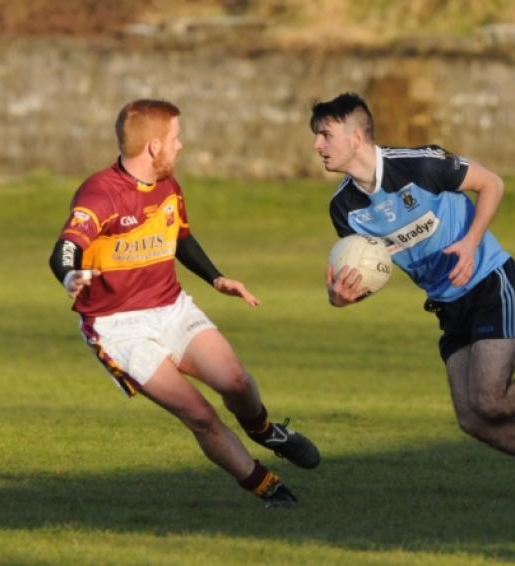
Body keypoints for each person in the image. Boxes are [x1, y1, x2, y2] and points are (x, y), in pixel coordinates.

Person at [310, 92, 515, 500]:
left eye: (325, 135)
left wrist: (470, 243)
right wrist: (342, 298)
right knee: (473, 417)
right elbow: (368, 270)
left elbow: (491, 183)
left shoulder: (420, 163)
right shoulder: (343, 207)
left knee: (490, 398)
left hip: (491, 282)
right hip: (448, 305)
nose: (317, 146)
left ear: (357, 137)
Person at [49, 98, 319, 508]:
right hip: (119, 329)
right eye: (176, 138)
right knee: (200, 415)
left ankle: (266, 431)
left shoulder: (169, 186)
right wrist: (71, 275)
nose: (181, 146)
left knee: (237, 383)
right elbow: (65, 249)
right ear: (154, 146)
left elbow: (180, 238)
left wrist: (216, 277)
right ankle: (268, 489)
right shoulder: (101, 192)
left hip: (172, 308)